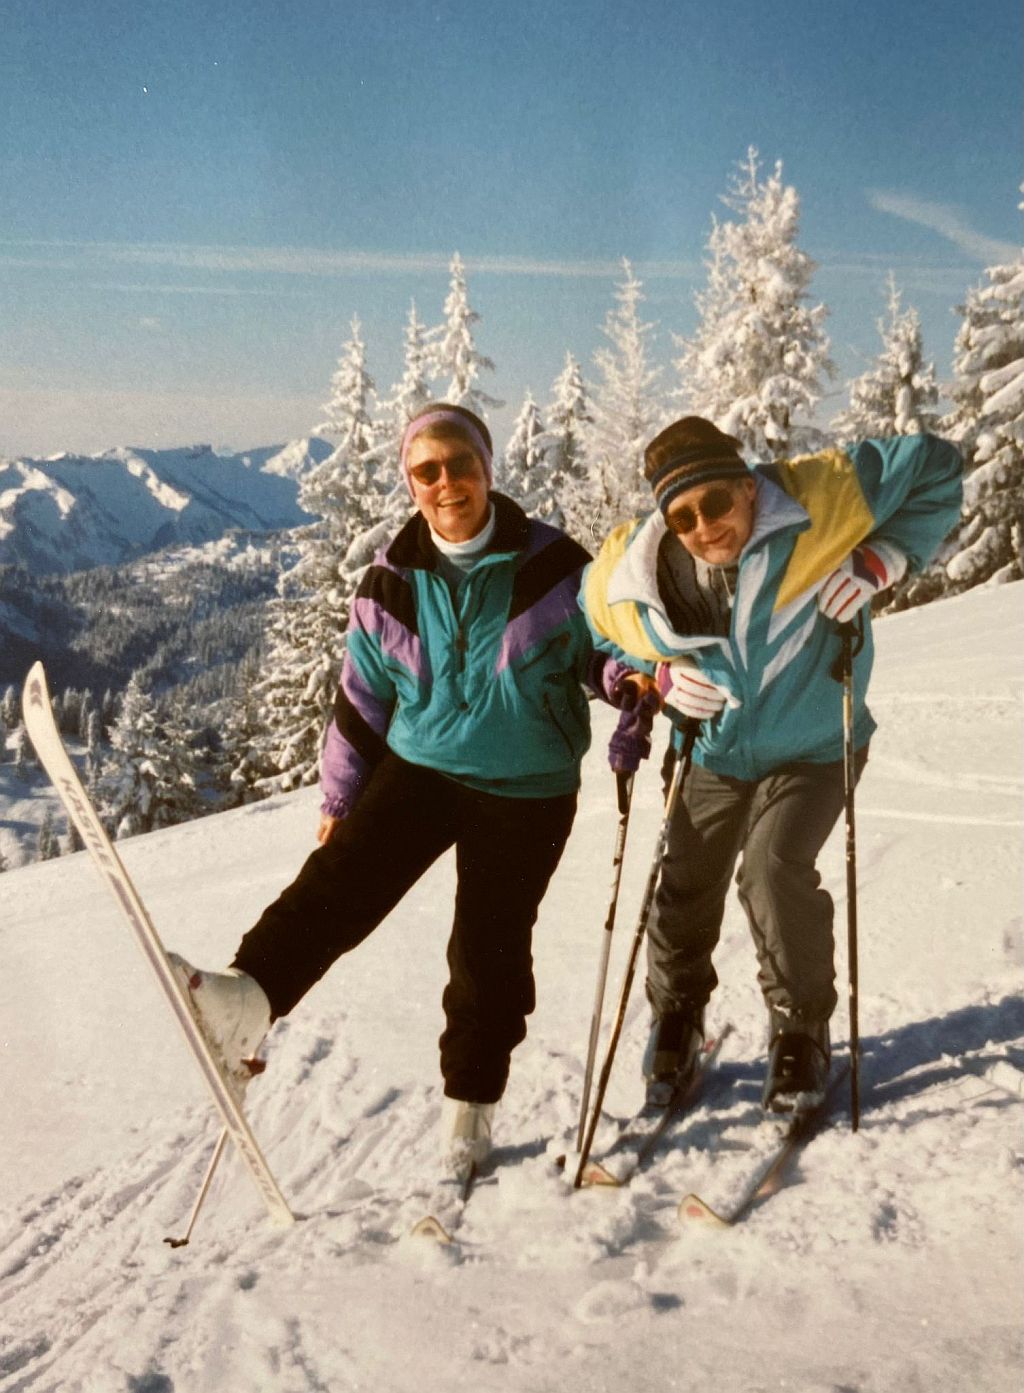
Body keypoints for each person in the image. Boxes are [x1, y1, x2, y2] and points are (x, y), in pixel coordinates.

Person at [169, 403, 653, 1177]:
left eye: (459, 463)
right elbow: (362, 699)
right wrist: (338, 800)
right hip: (423, 764)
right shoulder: (391, 577)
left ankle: (469, 1107)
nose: (446, 483)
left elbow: (600, 646)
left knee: (487, 945)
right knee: (338, 881)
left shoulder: (555, 564)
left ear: (487, 469)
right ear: (410, 482)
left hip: (526, 782)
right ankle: (248, 999)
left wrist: (627, 684)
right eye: (426, 470)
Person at [581, 415, 962, 1112]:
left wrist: (882, 560)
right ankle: (678, 1014)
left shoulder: (820, 499)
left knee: (773, 866)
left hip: (816, 744)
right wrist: (658, 675)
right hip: (716, 748)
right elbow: (596, 624)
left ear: (746, 486)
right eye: (685, 515)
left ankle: (800, 1028)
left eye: (718, 502)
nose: (706, 525)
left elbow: (938, 468)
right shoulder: (636, 567)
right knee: (685, 873)